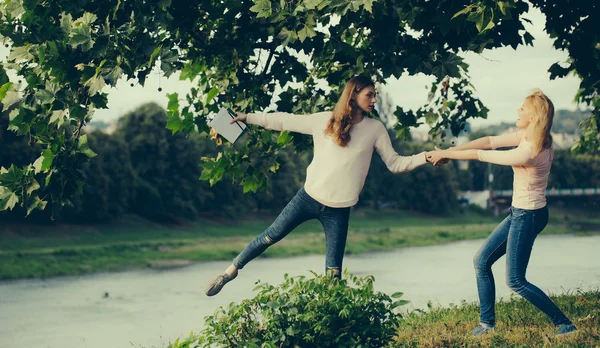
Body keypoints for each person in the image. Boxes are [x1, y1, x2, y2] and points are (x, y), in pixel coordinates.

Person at [205, 75, 435, 296]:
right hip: (308, 198)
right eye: (370, 94)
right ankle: (228, 273)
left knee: (334, 271)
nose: (374, 100)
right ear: (353, 95)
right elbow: (284, 120)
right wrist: (247, 117)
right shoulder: (324, 120)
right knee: (270, 235)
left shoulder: (375, 129)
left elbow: (395, 164)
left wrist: (425, 156)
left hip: (339, 210)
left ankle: (330, 321)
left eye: (375, 95)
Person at [427, 89, 577, 337]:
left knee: (516, 280)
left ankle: (563, 323)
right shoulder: (530, 137)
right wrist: (450, 153)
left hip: (528, 216)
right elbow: (488, 141)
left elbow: (480, 155)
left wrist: (445, 154)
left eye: (523, 108)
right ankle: (487, 325)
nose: (518, 110)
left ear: (533, 117)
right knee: (481, 261)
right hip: (522, 213)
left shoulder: (530, 151)